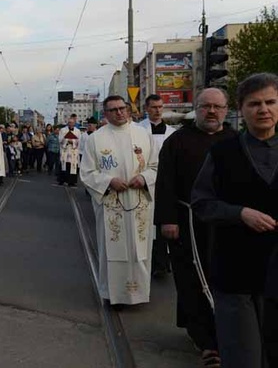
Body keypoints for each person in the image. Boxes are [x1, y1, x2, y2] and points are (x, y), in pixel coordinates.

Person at [192, 73, 278, 368]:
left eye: (270, 102)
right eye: (254, 103)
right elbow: (201, 203)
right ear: (241, 109)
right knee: (244, 357)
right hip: (235, 274)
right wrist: (239, 213)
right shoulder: (223, 153)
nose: (263, 109)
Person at [154, 88, 236, 367]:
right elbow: (164, 183)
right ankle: (207, 342)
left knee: (222, 281)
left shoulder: (236, 140)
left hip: (226, 225)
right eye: (205, 107)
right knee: (192, 281)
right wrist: (168, 220)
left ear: (226, 110)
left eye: (217, 107)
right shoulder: (178, 141)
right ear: (196, 110)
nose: (211, 112)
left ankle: (223, 334)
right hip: (187, 221)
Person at [80, 95, 158, 306]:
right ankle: (113, 295)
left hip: (139, 201)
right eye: (113, 110)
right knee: (113, 250)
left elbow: (155, 167)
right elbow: (87, 172)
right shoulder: (96, 138)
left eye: (122, 108)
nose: (119, 112)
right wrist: (109, 181)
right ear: (106, 114)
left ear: (128, 109)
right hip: (111, 204)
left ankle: (139, 293)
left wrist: (144, 178)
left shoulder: (143, 135)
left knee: (139, 249)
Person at [140, 94, 177, 279]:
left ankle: (163, 263)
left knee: (163, 221)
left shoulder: (172, 133)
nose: (157, 110)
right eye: (154, 107)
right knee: (146, 224)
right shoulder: (138, 131)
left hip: (166, 184)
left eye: (160, 107)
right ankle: (147, 261)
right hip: (145, 183)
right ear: (147, 109)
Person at [59, 116, 81, 186]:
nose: (70, 124)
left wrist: (73, 141)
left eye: (72, 123)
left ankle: (72, 182)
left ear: (74, 123)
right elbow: (60, 140)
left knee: (73, 167)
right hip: (65, 150)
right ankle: (62, 180)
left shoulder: (77, 131)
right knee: (64, 165)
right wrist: (67, 140)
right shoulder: (63, 130)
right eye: (69, 122)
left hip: (73, 151)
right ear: (67, 123)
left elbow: (79, 141)